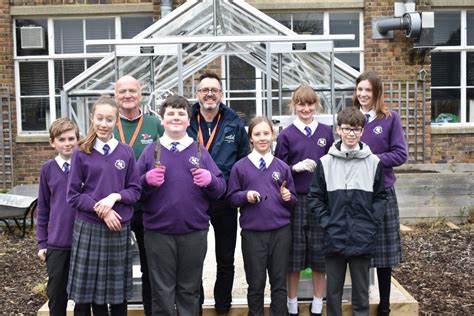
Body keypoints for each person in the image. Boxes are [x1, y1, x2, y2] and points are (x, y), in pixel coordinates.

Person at [137, 95, 226, 316]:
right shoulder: (152, 151)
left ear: (188, 121)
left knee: (189, 289)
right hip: (158, 233)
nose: (176, 118)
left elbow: (221, 188)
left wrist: (211, 181)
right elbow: (133, 191)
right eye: (170, 114)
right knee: (162, 291)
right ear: (162, 120)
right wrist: (145, 181)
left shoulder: (199, 151)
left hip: (193, 231)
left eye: (181, 114)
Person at [307, 107, 388, 316]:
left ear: (363, 131)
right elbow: (315, 197)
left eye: (356, 129)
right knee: (333, 291)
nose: (351, 133)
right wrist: (327, 222)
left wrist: (371, 223)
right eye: (346, 129)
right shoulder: (325, 163)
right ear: (338, 130)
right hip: (334, 235)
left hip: (362, 236)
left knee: (361, 292)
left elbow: (381, 197)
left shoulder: (373, 162)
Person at [67, 96, 141, 316]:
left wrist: (115, 198)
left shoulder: (126, 152)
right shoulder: (81, 151)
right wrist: (102, 210)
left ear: (116, 121)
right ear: (92, 118)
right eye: (99, 118)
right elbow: (73, 195)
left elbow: (135, 190)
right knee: (94, 296)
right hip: (89, 228)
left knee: (117, 296)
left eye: (109, 119)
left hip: (117, 228)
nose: (103, 123)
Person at [187, 71, 249, 315]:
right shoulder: (187, 120)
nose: (209, 94)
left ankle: (223, 305)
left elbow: (243, 161)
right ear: (197, 94)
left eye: (214, 90)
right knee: (195, 258)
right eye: (204, 90)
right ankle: (196, 304)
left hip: (224, 200)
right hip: (194, 199)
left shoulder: (234, 122)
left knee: (225, 257)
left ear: (221, 94)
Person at [226, 116, 297, 316]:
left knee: (279, 283)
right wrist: (244, 196)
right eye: (257, 134)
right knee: (256, 283)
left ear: (273, 136)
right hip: (253, 234)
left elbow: (293, 200)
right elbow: (231, 198)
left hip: (280, 233)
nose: (262, 138)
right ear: (250, 139)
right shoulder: (240, 167)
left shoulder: (282, 167)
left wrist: (288, 196)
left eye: (266, 133)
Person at [274, 85, 334, 316]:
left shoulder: (326, 132)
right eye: (301, 104)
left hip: (320, 199)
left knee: (320, 253)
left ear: (316, 105)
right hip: (295, 200)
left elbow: (333, 163)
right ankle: (292, 303)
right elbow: (277, 170)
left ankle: (318, 303)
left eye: (310, 104)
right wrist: (294, 168)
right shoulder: (287, 134)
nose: (306, 108)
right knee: (294, 253)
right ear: (294, 105)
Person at [352, 71, 408, 316]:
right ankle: (360, 304)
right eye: (360, 90)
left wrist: (374, 159)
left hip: (382, 192)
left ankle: (384, 305)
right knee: (359, 251)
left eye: (368, 90)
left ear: (376, 93)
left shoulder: (389, 119)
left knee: (384, 253)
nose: (363, 94)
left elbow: (400, 154)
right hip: (354, 194)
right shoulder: (350, 118)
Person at [114, 75, 164, 316]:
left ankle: (150, 311)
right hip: (116, 210)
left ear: (140, 95)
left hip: (148, 208)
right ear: (116, 96)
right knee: (116, 267)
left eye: (132, 90)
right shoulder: (106, 124)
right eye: (122, 91)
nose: (127, 95)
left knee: (149, 266)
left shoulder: (155, 124)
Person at [36, 118, 79, 316]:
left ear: (78, 140)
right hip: (57, 243)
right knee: (57, 294)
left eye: (71, 138)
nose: (67, 143)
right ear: (53, 142)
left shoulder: (85, 165)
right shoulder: (48, 169)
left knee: (83, 297)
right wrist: (42, 242)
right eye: (62, 139)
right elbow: (43, 208)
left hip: (83, 241)